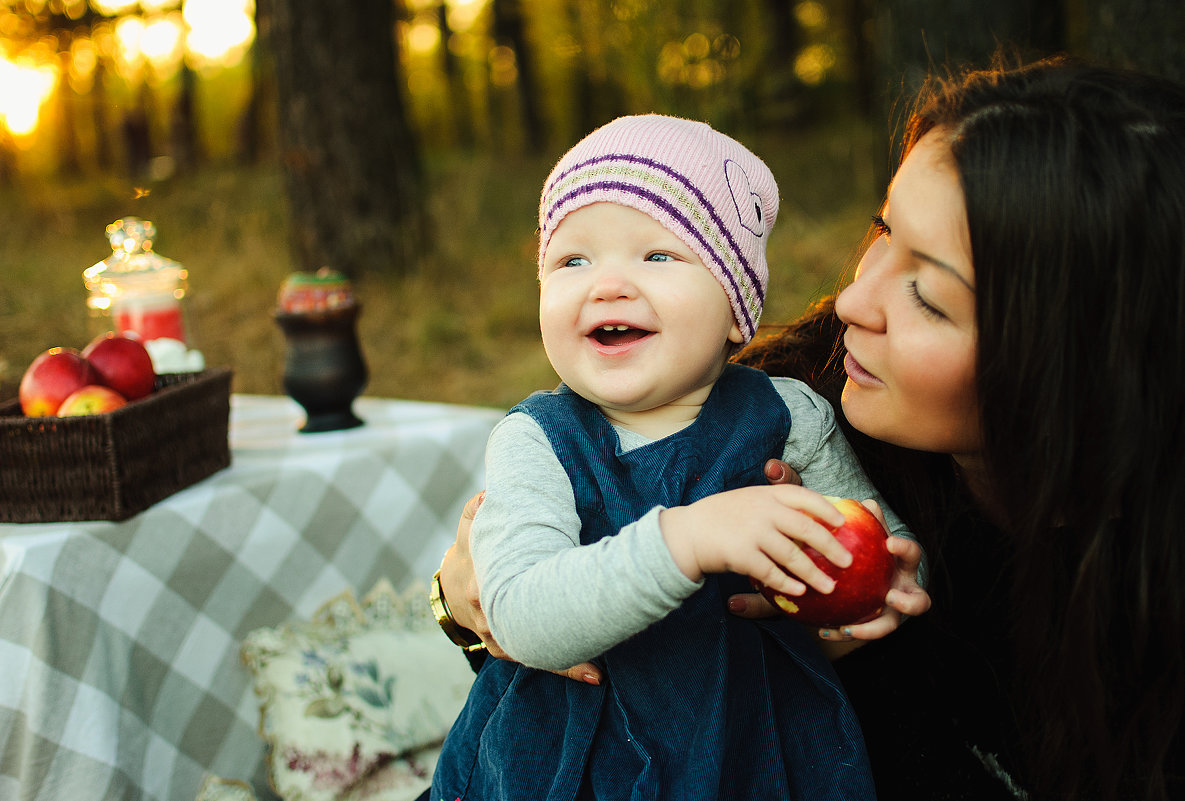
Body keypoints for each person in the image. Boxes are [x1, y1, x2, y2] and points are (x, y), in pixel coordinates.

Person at [427, 58, 1185, 801]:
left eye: (926, 292)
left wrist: (870, 606)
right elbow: (525, 626)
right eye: (880, 233)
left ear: (1072, 371)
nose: (854, 297)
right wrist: (464, 600)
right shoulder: (807, 387)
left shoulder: (1136, 615)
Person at [429, 114, 928, 801]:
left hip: (751, 751)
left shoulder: (788, 416)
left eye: (656, 255)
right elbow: (518, 615)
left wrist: (886, 577)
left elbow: (879, 540)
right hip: (572, 765)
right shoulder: (537, 440)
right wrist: (688, 538)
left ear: (734, 310)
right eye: (571, 260)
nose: (605, 284)